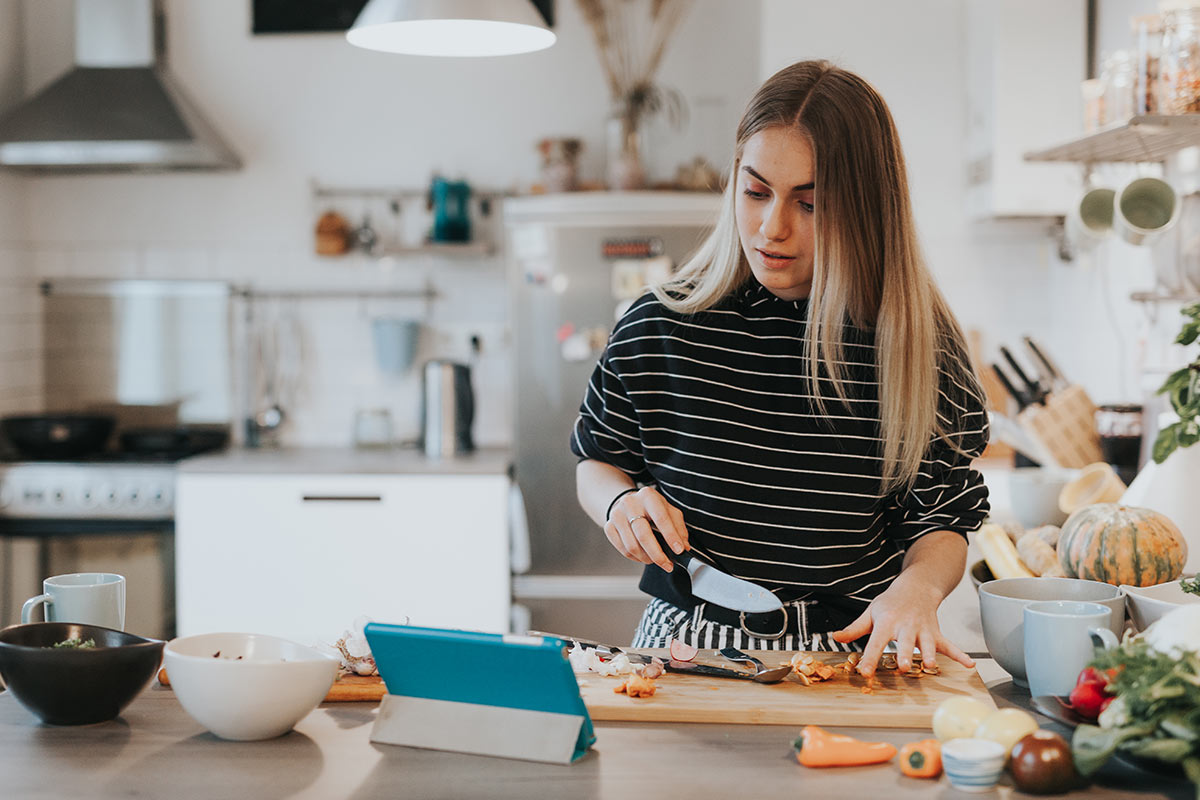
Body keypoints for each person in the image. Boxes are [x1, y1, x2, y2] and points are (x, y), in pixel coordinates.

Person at [569, 59, 990, 678]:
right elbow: (597, 460)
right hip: (686, 644)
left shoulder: (917, 349)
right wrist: (618, 504)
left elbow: (942, 519)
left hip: (853, 652)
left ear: (868, 208)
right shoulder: (662, 323)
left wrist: (920, 589)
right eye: (756, 190)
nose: (772, 228)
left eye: (811, 203)